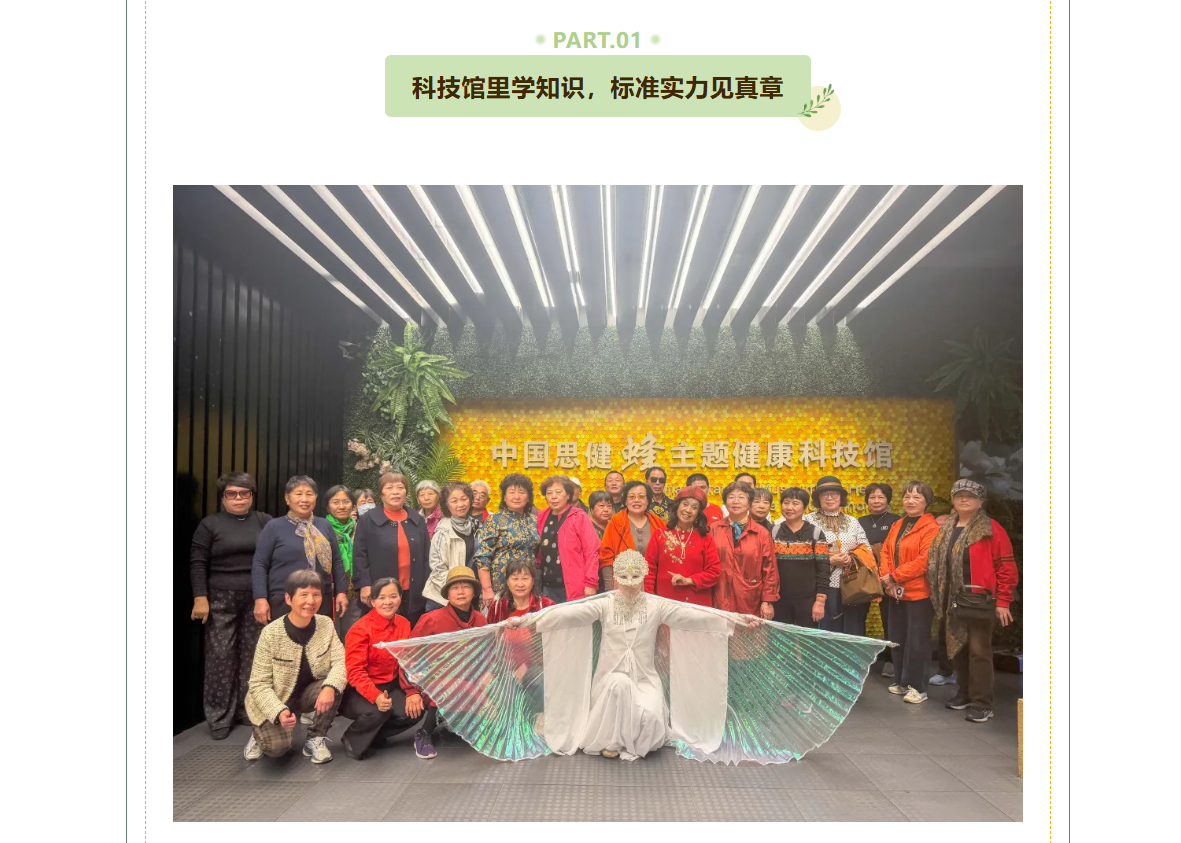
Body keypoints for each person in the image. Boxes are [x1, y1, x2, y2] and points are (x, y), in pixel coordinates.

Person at [189, 471, 273, 739]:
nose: (238, 498)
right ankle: (219, 716)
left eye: (244, 493)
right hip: (220, 597)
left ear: (252, 496)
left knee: (254, 655)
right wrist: (200, 597)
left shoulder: (264, 521)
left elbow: (273, 556)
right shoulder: (210, 524)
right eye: (232, 494)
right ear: (223, 497)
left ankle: (247, 710)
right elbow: (198, 562)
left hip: (256, 597)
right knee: (220, 656)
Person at [928, 479, 1018, 723]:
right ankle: (965, 694)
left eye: (970, 496)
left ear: (980, 501)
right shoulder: (947, 527)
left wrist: (1003, 601)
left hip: (979, 600)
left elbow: (1005, 566)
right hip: (951, 599)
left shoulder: (990, 528)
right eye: (959, 496)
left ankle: (982, 703)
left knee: (979, 651)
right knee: (957, 648)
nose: (964, 499)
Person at [243, 570, 347, 764]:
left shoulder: (325, 624)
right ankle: (258, 734)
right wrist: (278, 711)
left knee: (335, 685)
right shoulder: (271, 633)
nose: (311, 601)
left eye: (316, 595)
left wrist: (330, 687)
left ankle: (315, 738)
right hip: (276, 699)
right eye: (304, 595)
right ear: (288, 599)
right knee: (277, 748)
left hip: (305, 695)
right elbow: (258, 684)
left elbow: (340, 662)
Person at [409, 566, 489, 758]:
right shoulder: (431, 619)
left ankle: (465, 723)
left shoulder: (481, 620)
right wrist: (411, 691)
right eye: (455, 587)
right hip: (435, 681)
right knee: (452, 686)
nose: (461, 592)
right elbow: (409, 656)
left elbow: (486, 654)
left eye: (466, 586)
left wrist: (488, 673)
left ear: (474, 592)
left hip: (471, 678)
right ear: (448, 593)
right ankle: (424, 732)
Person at [339, 577, 422, 760]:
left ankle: (374, 735)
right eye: (381, 598)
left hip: (391, 685)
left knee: (416, 707)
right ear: (373, 601)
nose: (388, 602)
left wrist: (412, 691)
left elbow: (407, 661)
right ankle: (352, 739)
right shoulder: (360, 629)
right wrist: (375, 696)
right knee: (379, 711)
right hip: (358, 691)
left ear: (400, 598)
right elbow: (355, 672)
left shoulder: (404, 623)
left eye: (393, 596)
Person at [251, 476, 348, 628]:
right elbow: (260, 564)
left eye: (309, 494)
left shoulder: (324, 525)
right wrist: (260, 598)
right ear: (287, 498)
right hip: (284, 599)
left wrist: (341, 592)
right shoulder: (274, 526)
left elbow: (336, 561)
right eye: (298, 494)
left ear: (315, 498)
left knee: (319, 640)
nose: (304, 499)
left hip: (320, 599)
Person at [878, 481, 940, 703]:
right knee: (898, 639)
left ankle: (918, 688)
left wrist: (895, 577)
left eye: (916, 497)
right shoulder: (898, 524)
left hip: (919, 594)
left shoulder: (932, 528)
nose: (910, 501)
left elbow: (924, 560)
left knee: (917, 642)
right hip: (895, 591)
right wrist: (888, 580)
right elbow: (885, 552)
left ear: (926, 502)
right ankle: (902, 681)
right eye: (907, 496)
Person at [485, 559, 555, 733]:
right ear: (507, 582)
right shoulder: (498, 607)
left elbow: (552, 645)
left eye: (525, 578)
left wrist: (526, 666)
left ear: (533, 581)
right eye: (515, 578)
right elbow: (490, 642)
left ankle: (542, 715)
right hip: (504, 668)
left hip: (537, 668)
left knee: (538, 678)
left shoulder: (545, 606)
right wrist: (490, 670)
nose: (520, 584)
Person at [353, 472, 430, 626]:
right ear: (381, 493)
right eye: (389, 488)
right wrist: (365, 585)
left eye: (400, 487)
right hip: (382, 592)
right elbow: (360, 555)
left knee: (411, 631)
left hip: (414, 590)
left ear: (406, 492)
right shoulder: (368, 520)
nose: (395, 492)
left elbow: (427, 556)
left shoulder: (417, 519)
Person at [804, 476, 873, 636]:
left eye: (834, 494)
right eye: (824, 494)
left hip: (852, 587)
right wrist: (829, 560)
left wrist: (851, 558)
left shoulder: (853, 522)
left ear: (841, 497)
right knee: (824, 632)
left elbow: (867, 550)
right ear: (818, 498)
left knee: (851, 631)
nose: (830, 498)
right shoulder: (807, 521)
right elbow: (802, 555)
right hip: (820, 588)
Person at [710, 481, 777, 619]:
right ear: (725, 502)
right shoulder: (713, 529)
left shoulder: (762, 533)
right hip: (718, 595)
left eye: (741, 497)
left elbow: (770, 569)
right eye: (731, 497)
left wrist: (767, 601)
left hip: (749, 598)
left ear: (749, 502)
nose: (736, 501)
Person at [644, 486, 720, 606]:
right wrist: (649, 598)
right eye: (685, 504)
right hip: (665, 604)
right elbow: (649, 569)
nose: (688, 510)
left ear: (698, 514)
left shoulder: (706, 538)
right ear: (677, 506)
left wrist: (689, 580)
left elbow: (714, 572)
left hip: (697, 605)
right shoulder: (660, 534)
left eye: (694, 507)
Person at [474, 473, 540, 608]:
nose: (516, 496)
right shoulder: (495, 520)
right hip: (500, 586)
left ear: (528, 497)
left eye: (521, 492)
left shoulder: (534, 520)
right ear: (504, 497)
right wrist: (487, 589)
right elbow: (483, 557)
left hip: (527, 585)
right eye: (511, 492)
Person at [859, 482, 902, 676]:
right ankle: (859, 660)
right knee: (859, 617)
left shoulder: (897, 521)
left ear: (888, 500)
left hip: (888, 576)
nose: (876, 501)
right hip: (864, 577)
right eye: (872, 497)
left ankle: (892, 660)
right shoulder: (860, 521)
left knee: (890, 619)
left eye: (880, 497)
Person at [536, 475, 601, 603]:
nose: (554, 496)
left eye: (558, 492)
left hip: (574, 587)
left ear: (568, 495)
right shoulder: (541, 516)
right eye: (549, 493)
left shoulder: (579, 516)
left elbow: (592, 551)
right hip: (546, 588)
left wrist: (591, 582)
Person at [770, 487, 828, 627]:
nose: (789, 507)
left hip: (808, 600)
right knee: (781, 639)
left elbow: (824, 569)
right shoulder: (774, 531)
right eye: (786, 503)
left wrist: (820, 601)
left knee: (806, 639)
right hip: (779, 600)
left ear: (805, 507)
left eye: (795, 503)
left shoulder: (815, 533)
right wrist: (767, 600)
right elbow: (767, 568)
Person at [423, 481, 480, 611]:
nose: (460, 504)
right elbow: (438, 569)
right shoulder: (443, 532)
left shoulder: (477, 526)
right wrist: (456, 593)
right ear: (447, 505)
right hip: (443, 599)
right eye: (454, 501)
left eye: (463, 499)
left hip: (468, 597)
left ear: (470, 500)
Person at [599, 480, 666, 591]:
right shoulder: (615, 522)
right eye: (631, 497)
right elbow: (606, 557)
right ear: (625, 501)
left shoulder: (659, 524)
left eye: (641, 497)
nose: (636, 500)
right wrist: (610, 589)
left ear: (648, 500)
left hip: (654, 586)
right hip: (623, 585)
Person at [324, 484, 362, 636]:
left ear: (353, 505)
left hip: (355, 590)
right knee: (329, 632)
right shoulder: (321, 529)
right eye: (336, 502)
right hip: (328, 590)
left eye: (346, 502)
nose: (341, 506)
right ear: (328, 507)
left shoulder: (360, 528)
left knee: (352, 631)